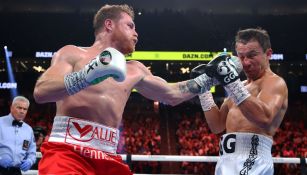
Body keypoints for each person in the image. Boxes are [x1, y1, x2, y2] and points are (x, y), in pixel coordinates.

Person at [33, 4, 226, 175]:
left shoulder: (135, 69)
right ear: (109, 25)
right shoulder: (72, 53)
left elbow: (172, 94)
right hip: (68, 152)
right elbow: (41, 92)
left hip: (108, 157)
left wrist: (211, 78)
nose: (136, 33)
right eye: (130, 26)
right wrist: (87, 76)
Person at [198, 28, 288, 175]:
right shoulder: (240, 86)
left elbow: (264, 118)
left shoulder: (275, 82)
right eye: (241, 56)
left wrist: (231, 83)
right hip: (225, 159)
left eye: (252, 55)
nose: (246, 63)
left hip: (253, 158)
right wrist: (204, 91)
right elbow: (217, 126)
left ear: (268, 54)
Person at [0, 96, 36, 175]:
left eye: (25, 109)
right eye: (19, 108)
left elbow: (32, 152)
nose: (22, 111)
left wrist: (30, 161)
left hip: (16, 172)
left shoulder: (28, 129)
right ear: (11, 108)